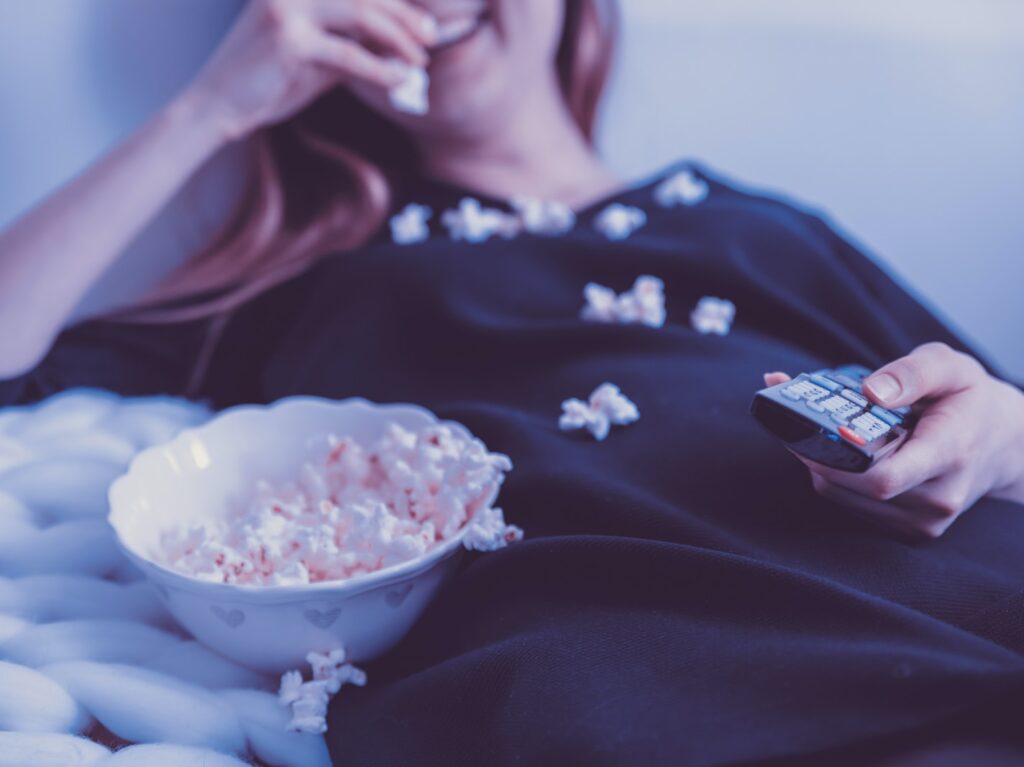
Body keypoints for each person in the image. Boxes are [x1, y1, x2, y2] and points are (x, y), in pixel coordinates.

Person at [2, 1, 1024, 763]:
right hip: (633, 675)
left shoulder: (758, 225)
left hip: (944, 600)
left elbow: (998, 418)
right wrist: (210, 109)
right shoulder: (321, 277)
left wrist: (995, 434)